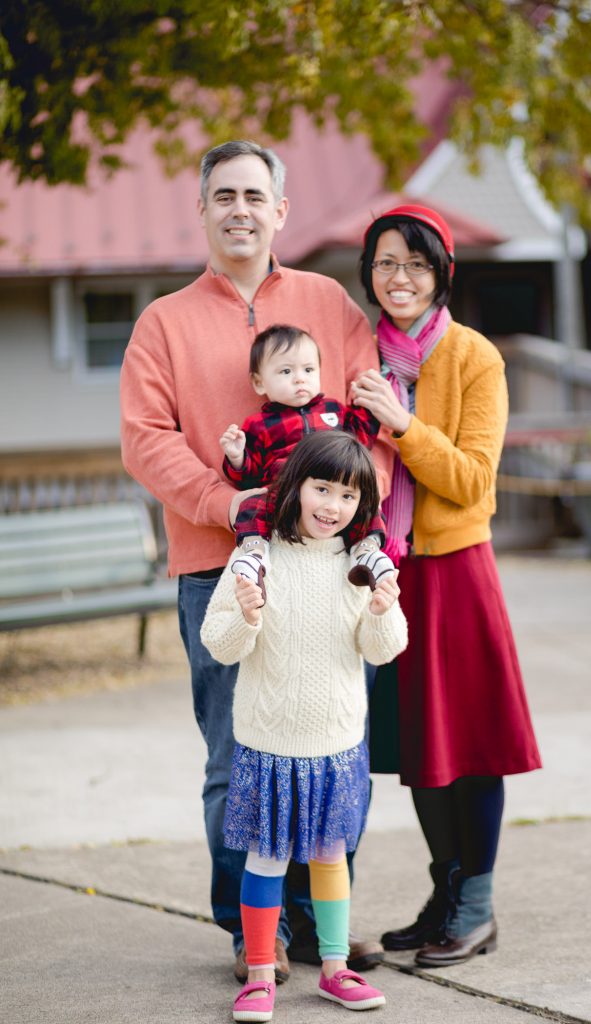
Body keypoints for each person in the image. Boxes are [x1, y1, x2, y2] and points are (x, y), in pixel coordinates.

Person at [119, 140, 393, 982]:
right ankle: (253, 933)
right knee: (234, 757)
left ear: (281, 211)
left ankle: (323, 927)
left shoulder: (327, 304)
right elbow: (145, 440)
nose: (240, 208)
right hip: (218, 566)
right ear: (201, 210)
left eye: (255, 195)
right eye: (223, 194)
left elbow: (370, 427)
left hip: (330, 571)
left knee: (335, 743)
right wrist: (224, 501)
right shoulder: (162, 321)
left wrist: (359, 521)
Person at [350, 204, 542, 967]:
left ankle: (478, 905)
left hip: (456, 571)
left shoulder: (472, 357)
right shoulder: (357, 356)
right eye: (386, 263)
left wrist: (400, 423)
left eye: (416, 264)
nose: (399, 278)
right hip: (385, 576)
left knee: (472, 742)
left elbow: (471, 481)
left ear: (441, 275)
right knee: (417, 744)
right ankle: (444, 887)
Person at [200, 431, 408, 1022]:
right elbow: (219, 642)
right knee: (265, 860)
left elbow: (385, 649)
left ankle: (336, 970)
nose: (332, 506)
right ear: (293, 488)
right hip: (269, 744)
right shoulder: (257, 557)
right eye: (322, 488)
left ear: (361, 505)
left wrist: (382, 608)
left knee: (328, 858)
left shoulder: (359, 566)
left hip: (334, 745)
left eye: (348, 496)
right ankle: (261, 975)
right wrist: (246, 614)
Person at [220, 322, 395, 598]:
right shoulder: (259, 425)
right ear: (259, 382)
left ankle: (367, 552)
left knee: (365, 503)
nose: (300, 378)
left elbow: (359, 440)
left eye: (308, 370)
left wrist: (365, 404)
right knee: (251, 503)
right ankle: (255, 554)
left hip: (331, 492)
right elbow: (249, 477)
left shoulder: (334, 411)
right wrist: (237, 456)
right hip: (286, 495)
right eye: (286, 371)